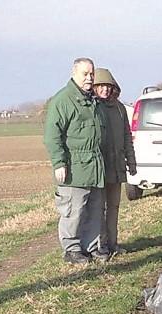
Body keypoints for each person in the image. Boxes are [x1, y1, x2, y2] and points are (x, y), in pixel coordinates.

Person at [43, 57, 106, 264]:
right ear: (74, 73)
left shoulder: (92, 100)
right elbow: (53, 135)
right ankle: (71, 249)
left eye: (91, 74)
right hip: (74, 167)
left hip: (95, 165)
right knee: (74, 210)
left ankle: (91, 247)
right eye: (85, 74)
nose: (89, 78)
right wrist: (59, 163)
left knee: (95, 209)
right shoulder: (63, 100)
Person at [92, 67, 136, 262]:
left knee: (114, 207)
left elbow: (127, 137)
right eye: (101, 86)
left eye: (108, 86)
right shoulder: (92, 108)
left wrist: (131, 161)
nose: (105, 90)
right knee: (98, 208)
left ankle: (113, 243)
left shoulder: (119, 109)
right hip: (99, 168)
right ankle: (100, 247)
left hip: (117, 166)